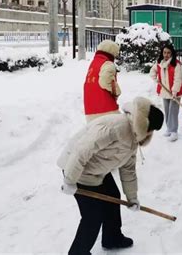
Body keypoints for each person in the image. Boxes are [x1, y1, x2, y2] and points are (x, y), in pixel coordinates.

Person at [58, 97, 164, 254]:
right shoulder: (117, 127)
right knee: (92, 216)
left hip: (97, 170)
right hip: (78, 170)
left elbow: (128, 169)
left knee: (113, 197)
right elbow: (81, 150)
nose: (151, 133)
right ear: (145, 124)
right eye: (151, 129)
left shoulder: (134, 137)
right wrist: (70, 180)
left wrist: (132, 198)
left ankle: (112, 237)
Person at [149, 43, 182, 142]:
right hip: (164, 91)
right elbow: (152, 71)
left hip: (175, 91)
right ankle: (169, 128)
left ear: (172, 53)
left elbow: (178, 79)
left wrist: (174, 91)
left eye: (168, 53)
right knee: (167, 110)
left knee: (173, 111)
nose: (166, 55)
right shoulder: (160, 63)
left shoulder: (176, 64)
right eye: (164, 52)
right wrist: (155, 78)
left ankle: (174, 131)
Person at [84, 40, 121, 122]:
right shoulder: (107, 63)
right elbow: (105, 81)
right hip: (105, 108)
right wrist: (117, 92)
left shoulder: (94, 63)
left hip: (90, 109)